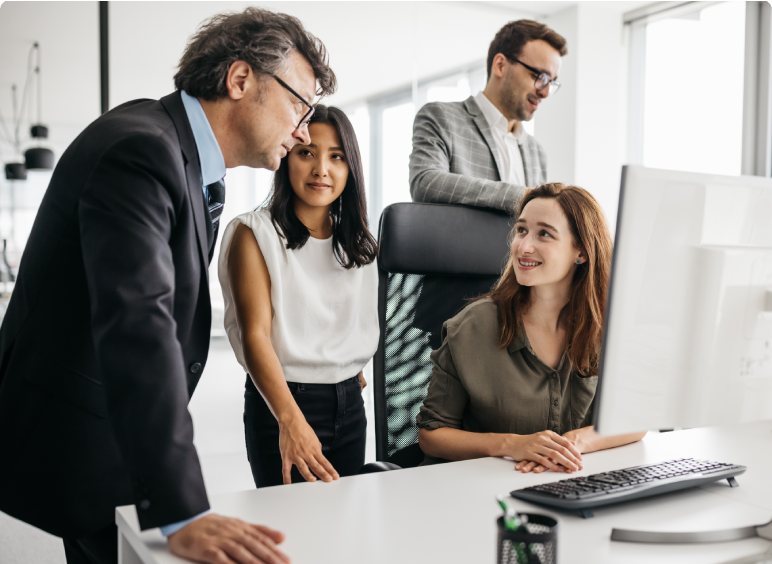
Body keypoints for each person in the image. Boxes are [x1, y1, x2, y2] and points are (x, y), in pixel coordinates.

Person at [0, 8, 335, 564]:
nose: (303, 130)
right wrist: (182, 508)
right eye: (299, 104)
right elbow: (138, 321)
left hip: (106, 428)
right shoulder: (142, 150)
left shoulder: (176, 152)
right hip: (79, 437)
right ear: (240, 79)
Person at [416, 183, 647, 470]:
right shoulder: (471, 327)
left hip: (573, 484)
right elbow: (431, 435)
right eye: (522, 230)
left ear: (582, 252)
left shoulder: (606, 325)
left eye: (545, 234)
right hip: (485, 492)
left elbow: (635, 421)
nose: (524, 246)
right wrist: (511, 445)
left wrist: (571, 444)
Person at [219, 105, 378, 488]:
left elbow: (351, 315)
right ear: (286, 158)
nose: (321, 169)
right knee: (292, 531)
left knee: (341, 529)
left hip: (349, 404)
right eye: (307, 152)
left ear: (350, 169)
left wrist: (342, 362)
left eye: (336, 157)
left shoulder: (357, 243)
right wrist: (290, 421)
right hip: (284, 402)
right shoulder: (254, 233)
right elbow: (255, 336)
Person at [409, 20, 567, 215]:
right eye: (540, 77)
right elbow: (426, 182)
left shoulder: (536, 152)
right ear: (500, 65)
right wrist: (521, 195)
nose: (544, 93)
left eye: (551, 82)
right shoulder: (441, 118)